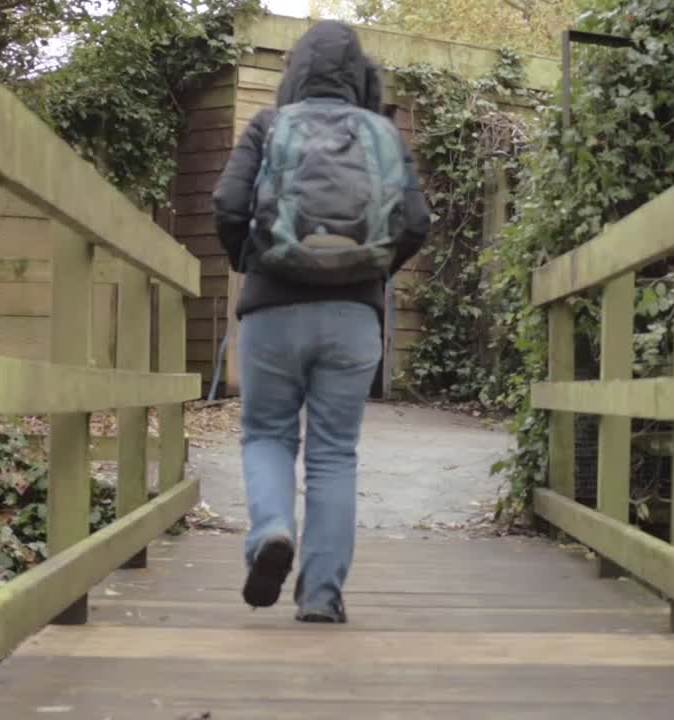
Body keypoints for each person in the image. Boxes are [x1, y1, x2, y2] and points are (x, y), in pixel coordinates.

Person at [211, 20, 430, 623]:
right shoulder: (382, 132)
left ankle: (272, 532)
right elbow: (414, 221)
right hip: (353, 315)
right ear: (360, 76)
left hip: (271, 311)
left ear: (295, 72)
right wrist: (373, 273)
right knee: (335, 454)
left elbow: (228, 206)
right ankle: (321, 597)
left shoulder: (268, 125)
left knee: (266, 435)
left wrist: (251, 262)